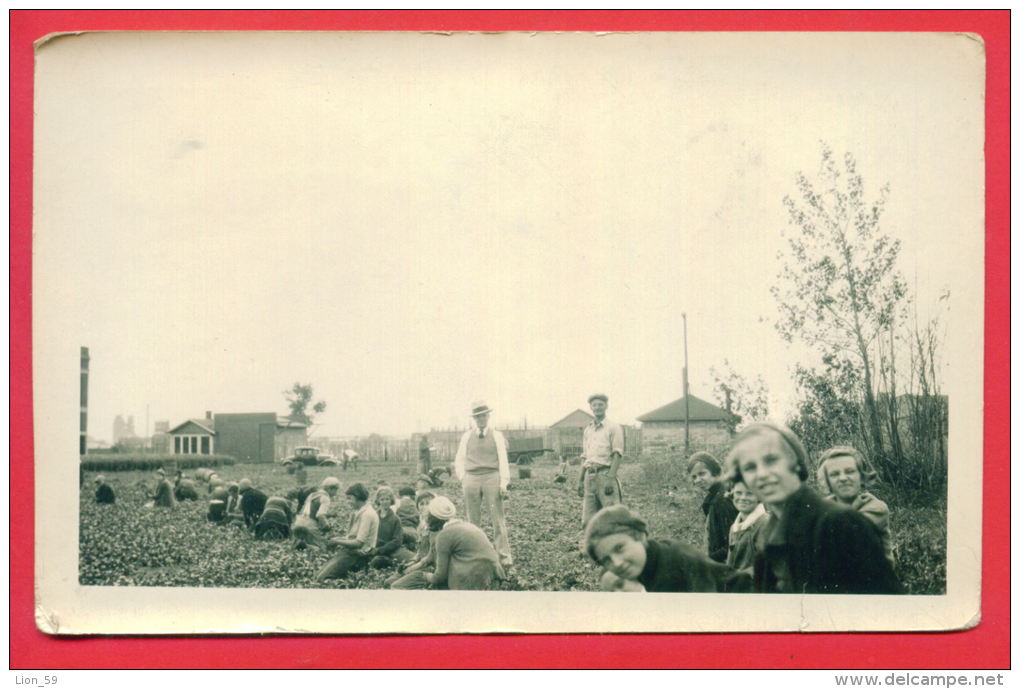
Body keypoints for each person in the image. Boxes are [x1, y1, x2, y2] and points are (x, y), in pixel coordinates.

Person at [725, 422, 902, 594]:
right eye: (749, 467)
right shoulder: (768, 533)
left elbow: (885, 608)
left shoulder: (842, 523)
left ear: (795, 463)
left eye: (771, 460)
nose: (762, 474)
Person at [583, 504, 751, 593]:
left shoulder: (671, 569)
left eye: (619, 548)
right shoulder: (649, 556)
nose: (617, 563)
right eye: (606, 560)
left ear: (640, 536)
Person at [453, 400, 513, 570]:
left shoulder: (497, 435)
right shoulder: (466, 436)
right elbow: (459, 459)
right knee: (472, 520)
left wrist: (503, 483)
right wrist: (463, 477)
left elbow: (503, 459)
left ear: (488, 416)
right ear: (474, 418)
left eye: (483, 416)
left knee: (497, 518)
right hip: (471, 478)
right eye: (477, 417)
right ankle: (475, 554)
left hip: (491, 477)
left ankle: (504, 556)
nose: (481, 419)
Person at [816, 446, 894, 563]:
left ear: (861, 477)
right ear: (827, 482)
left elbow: (846, 537)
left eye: (850, 471)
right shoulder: (823, 508)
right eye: (835, 474)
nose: (843, 478)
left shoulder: (876, 508)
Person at [422, 496, 505, 590]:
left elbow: (440, 577)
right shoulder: (467, 525)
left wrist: (424, 576)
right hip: (494, 573)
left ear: (432, 517)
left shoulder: (444, 535)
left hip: (473, 578)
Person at [314, 483, 379, 581]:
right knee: (317, 575)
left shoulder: (367, 514)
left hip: (358, 555)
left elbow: (358, 543)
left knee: (322, 579)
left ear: (357, 497)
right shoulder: (359, 511)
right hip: (350, 551)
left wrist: (336, 541)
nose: (348, 502)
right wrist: (337, 539)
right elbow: (351, 537)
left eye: (350, 498)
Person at [579, 393, 625, 527]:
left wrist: (610, 478)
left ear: (606, 406)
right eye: (594, 405)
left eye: (600, 405)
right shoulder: (588, 430)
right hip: (589, 476)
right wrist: (580, 481)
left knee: (613, 518)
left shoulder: (613, 427)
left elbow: (617, 454)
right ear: (591, 408)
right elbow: (585, 456)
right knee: (588, 521)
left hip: (605, 475)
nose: (597, 407)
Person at [688, 451, 739, 563]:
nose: (697, 480)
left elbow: (730, 545)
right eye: (694, 477)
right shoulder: (717, 494)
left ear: (715, 471)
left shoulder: (721, 500)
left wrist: (705, 560)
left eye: (702, 474)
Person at [386, 491, 437, 590]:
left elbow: (429, 559)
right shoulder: (421, 527)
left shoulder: (435, 527)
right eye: (421, 504)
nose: (425, 506)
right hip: (420, 563)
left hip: (430, 568)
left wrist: (411, 569)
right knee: (388, 581)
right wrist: (410, 562)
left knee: (395, 586)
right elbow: (419, 553)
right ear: (417, 507)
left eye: (428, 503)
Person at [726, 479, 768, 573]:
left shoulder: (766, 524)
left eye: (749, 493)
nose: (743, 498)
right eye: (738, 493)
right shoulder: (734, 528)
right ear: (732, 494)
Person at [369, 486, 415, 569]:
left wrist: (382, 549)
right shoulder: (374, 516)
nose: (385, 502)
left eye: (387, 499)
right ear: (378, 501)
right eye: (382, 499)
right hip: (375, 550)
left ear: (391, 501)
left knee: (413, 559)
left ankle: (389, 561)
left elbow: (397, 540)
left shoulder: (395, 519)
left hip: (392, 550)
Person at [293, 477, 341, 550]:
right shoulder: (325, 498)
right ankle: (306, 546)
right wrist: (327, 527)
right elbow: (320, 515)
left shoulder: (312, 494)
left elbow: (309, 511)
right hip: (309, 525)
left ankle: (302, 543)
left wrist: (329, 515)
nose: (335, 494)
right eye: (336, 490)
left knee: (309, 540)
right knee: (324, 548)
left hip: (298, 522)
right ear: (330, 488)